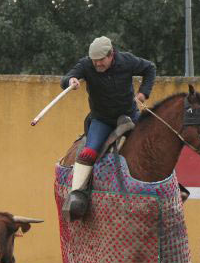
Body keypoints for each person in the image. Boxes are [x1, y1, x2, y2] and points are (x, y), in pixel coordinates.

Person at [60, 36, 156, 220]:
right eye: (94, 61)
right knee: (88, 152)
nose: (97, 64)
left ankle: (168, 186)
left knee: (151, 145)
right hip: (101, 119)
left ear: (111, 54)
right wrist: (71, 80)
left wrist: (143, 94)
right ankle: (77, 195)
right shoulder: (87, 65)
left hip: (129, 114)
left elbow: (149, 68)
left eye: (101, 60)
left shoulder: (127, 61)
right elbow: (66, 78)